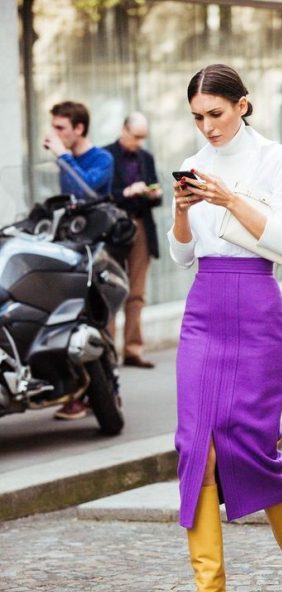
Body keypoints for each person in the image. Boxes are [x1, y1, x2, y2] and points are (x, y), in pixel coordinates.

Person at [168, 64, 282, 592]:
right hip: (204, 307)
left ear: (243, 105)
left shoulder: (280, 163)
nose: (207, 127)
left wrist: (229, 198)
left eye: (216, 114)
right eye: (197, 117)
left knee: (252, 445)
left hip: (257, 305)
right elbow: (182, 258)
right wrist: (183, 211)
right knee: (196, 447)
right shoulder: (194, 162)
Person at [43, 101, 114, 419]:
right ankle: (77, 390)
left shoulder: (102, 158)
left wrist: (62, 155)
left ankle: (110, 393)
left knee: (98, 319)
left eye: (61, 127)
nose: (55, 133)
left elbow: (85, 191)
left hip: (96, 249)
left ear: (78, 129)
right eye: (54, 127)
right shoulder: (67, 158)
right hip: (70, 246)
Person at [104, 113, 163, 368]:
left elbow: (157, 194)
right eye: (136, 136)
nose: (139, 142)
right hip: (114, 227)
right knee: (109, 291)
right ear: (124, 129)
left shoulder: (146, 157)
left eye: (143, 137)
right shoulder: (105, 155)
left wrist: (153, 192)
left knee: (137, 292)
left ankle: (132, 349)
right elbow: (102, 194)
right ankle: (106, 353)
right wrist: (126, 192)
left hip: (140, 224)